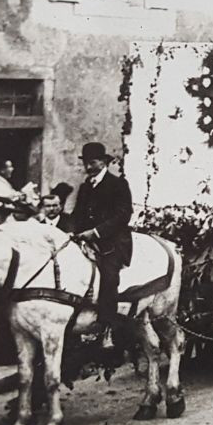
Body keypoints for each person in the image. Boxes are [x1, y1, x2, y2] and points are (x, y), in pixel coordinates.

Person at [69, 142, 133, 347]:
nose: (88, 167)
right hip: (86, 239)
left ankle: (107, 328)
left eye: (93, 162)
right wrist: (73, 231)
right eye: (86, 162)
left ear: (104, 162)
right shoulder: (85, 187)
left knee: (108, 275)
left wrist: (96, 232)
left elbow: (123, 215)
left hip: (113, 241)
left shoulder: (118, 184)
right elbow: (77, 215)